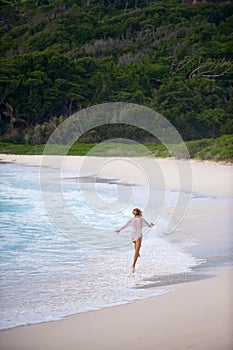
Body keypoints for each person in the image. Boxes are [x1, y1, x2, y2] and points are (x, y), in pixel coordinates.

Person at [115, 208, 154, 273]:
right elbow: (149, 225)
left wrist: (119, 230)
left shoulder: (133, 220)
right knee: (137, 250)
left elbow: (125, 225)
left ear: (134, 213)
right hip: (137, 235)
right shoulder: (140, 219)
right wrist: (152, 224)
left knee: (137, 248)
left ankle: (135, 260)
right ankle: (133, 265)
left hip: (133, 235)